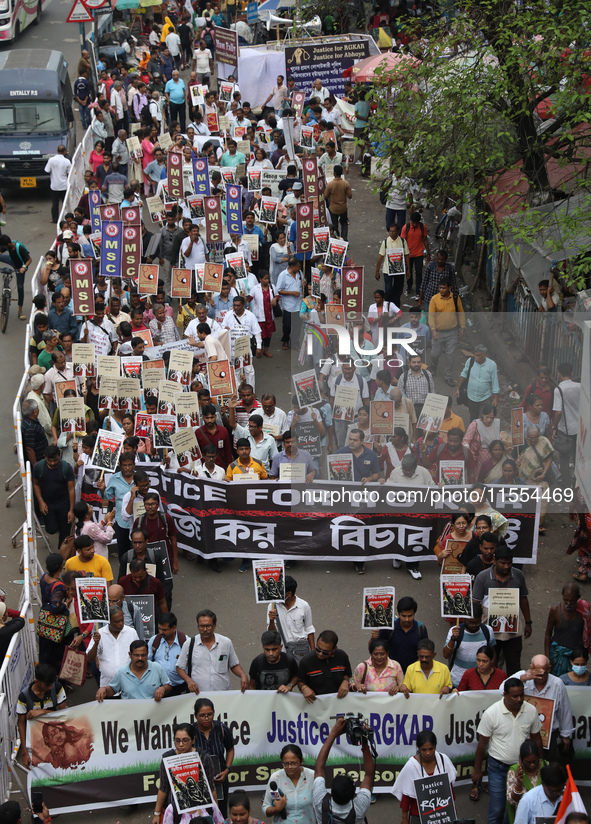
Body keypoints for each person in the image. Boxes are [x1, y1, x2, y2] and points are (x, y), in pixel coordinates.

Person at [471, 678, 543, 824]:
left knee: (516, 809)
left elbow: (537, 739)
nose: (519, 699)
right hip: (498, 768)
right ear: (504, 694)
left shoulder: (531, 711)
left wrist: (540, 764)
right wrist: (477, 769)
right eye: (514, 696)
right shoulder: (491, 713)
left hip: (523, 769)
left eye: (522, 695)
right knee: (497, 810)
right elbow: (482, 745)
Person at [473, 545, 532, 675]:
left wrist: (528, 622)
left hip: (513, 631)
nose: (506, 567)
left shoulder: (518, 576)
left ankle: (513, 690)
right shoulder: (482, 577)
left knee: (514, 664)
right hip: (490, 630)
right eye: (503, 563)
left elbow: (523, 599)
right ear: (494, 561)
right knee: (491, 664)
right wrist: (476, 627)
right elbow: (475, 603)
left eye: (509, 563)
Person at [507, 654, 574, 762]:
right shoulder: (523, 679)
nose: (541, 677)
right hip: (524, 733)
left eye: (544, 672)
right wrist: (523, 678)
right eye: (537, 673)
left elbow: (564, 710)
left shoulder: (557, 684)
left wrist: (565, 735)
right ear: (531, 668)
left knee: (547, 767)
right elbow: (502, 690)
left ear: (549, 668)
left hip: (549, 736)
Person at [153, 722, 217, 824]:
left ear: (193, 740)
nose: (181, 744)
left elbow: (211, 787)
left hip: (200, 811)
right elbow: (163, 788)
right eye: (177, 740)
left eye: (185, 740)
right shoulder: (168, 758)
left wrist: (215, 812)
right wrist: (157, 813)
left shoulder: (203, 757)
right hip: (177, 813)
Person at [313, 717, 373, 824]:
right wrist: (364, 742)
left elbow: (319, 768)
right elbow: (369, 775)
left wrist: (332, 734)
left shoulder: (320, 802)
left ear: (331, 792)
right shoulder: (359, 807)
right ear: (354, 794)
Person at [176, 609, 249, 694]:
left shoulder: (225, 643)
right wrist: (189, 681)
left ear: (214, 625)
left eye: (208, 626)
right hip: (198, 695)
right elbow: (180, 667)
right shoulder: (189, 644)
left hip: (223, 694)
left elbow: (234, 665)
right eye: (202, 626)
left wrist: (242, 675)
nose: (205, 629)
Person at [393, 730, 456, 824]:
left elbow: (449, 790)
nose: (428, 753)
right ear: (418, 748)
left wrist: (453, 813)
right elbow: (406, 795)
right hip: (418, 816)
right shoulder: (411, 766)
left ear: (435, 746)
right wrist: (404, 818)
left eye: (431, 749)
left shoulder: (443, 760)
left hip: (442, 815)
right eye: (424, 750)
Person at [17, 663, 67, 767]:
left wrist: (43, 712)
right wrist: (25, 752)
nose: (50, 687)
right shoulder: (24, 697)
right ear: (37, 682)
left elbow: (65, 715)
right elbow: (21, 724)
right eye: (47, 684)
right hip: (36, 742)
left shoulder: (57, 688)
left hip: (57, 737)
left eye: (52, 683)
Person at [193, 697, 235, 817]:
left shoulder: (221, 729)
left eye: (209, 714)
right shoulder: (191, 732)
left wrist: (226, 770)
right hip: (198, 783)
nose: (206, 718)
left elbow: (230, 749)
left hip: (219, 781)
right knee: (201, 815)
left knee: (220, 813)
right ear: (196, 716)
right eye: (202, 715)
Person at [96, 639, 171, 701]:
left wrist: (163, 688)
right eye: (136, 655)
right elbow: (113, 689)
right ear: (130, 655)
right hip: (129, 715)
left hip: (152, 715)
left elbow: (168, 686)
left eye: (143, 655)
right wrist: (104, 689)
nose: (140, 658)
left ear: (148, 654)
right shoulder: (122, 672)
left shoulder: (157, 667)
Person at [443, 604, 496, 686]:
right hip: (458, 681)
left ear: (481, 618)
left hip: (480, 683)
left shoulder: (488, 631)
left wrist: (492, 674)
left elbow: (492, 654)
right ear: (464, 619)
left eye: (477, 622)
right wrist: (453, 639)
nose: (474, 625)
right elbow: (446, 655)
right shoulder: (455, 631)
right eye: (470, 622)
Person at [33, 445, 76, 546]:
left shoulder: (67, 468)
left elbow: (71, 489)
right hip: (48, 505)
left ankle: (61, 553)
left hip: (64, 504)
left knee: (64, 532)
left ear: (59, 456)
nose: (52, 463)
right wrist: (40, 501)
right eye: (49, 460)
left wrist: (71, 510)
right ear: (45, 457)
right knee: (51, 529)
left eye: (55, 460)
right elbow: (35, 484)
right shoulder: (38, 467)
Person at [86, 606, 139, 687]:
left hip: (129, 685)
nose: (121, 623)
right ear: (109, 622)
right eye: (117, 622)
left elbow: (139, 655)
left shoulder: (132, 633)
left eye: (122, 620)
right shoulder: (99, 634)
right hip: (107, 685)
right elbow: (90, 658)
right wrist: (96, 644)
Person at [262, 744, 315, 824]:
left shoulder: (312, 776)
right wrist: (276, 809)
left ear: (301, 761)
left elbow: (320, 806)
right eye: (286, 764)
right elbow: (266, 807)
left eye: (293, 763)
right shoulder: (276, 778)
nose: (289, 767)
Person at [267, 575, 315, 660]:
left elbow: (309, 629)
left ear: (288, 594)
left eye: (279, 592)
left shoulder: (304, 606)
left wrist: (313, 652)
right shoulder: (272, 607)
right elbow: (271, 633)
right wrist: (271, 620)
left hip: (301, 651)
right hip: (282, 652)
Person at [544, 583, 587, 676]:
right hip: (556, 655)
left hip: (576, 657)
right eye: (566, 600)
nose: (568, 603)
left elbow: (588, 635)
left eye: (572, 600)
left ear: (578, 597)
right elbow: (548, 634)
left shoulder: (584, 613)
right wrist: (547, 657)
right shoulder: (555, 611)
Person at [298, 630, 351, 704]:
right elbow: (300, 682)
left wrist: (345, 681)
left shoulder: (342, 656)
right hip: (315, 703)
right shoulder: (306, 661)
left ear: (334, 649)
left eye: (325, 652)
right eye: (318, 649)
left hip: (339, 702)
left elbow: (347, 674)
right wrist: (304, 688)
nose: (320, 653)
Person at [428, 277, 465, 385]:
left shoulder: (455, 297)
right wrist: (433, 330)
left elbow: (461, 313)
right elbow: (431, 316)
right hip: (438, 332)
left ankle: (448, 376)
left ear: (449, 288)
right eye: (440, 288)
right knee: (435, 354)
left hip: (452, 332)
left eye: (444, 288)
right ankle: (434, 367)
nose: (442, 290)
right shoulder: (434, 299)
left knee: (450, 355)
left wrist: (462, 327)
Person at [552, 361, 580, 486]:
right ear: (572, 372)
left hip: (565, 429)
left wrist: (554, 427)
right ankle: (578, 484)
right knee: (577, 458)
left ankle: (566, 485)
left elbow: (558, 412)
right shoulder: (579, 387)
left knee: (564, 458)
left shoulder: (559, 390)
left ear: (559, 374)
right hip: (579, 428)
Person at [147, 613, 189, 696]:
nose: (161, 632)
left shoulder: (186, 641)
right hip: (159, 688)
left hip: (180, 688)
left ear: (174, 628)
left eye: (164, 630)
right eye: (159, 629)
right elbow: (147, 662)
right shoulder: (154, 641)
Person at [506, 740, 547, 822]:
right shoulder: (513, 771)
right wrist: (519, 783)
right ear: (521, 759)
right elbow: (512, 801)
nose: (532, 765)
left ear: (539, 757)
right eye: (528, 762)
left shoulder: (546, 768)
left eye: (534, 761)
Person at [456, 345, 500, 421]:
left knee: (483, 419)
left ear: (484, 355)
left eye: (478, 356)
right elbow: (464, 374)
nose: (476, 357)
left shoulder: (492, 365)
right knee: (473, 419)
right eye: (475, 355)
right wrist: (458, 389)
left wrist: (496, 398)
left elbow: (494, 382)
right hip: (471, 397)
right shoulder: (470, 361)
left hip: (485, 398)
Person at [374, 223, 410, 307]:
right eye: (390, 231)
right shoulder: (386, 242)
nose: (391, 233)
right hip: (387, 271)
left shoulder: (402, 241)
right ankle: (388, 306)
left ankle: (396, 305)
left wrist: (408, 269)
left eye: (393, 231)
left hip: (399, 270)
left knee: (398, 289)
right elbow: (381, 257)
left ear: (398, 231)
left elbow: (407, 255)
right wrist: (377, 271)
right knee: (388, 289)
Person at [0, 234, 32, 320]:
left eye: (3, 246)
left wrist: (23, 267)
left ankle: (20, 311)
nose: (3, 247)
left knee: (20, 287)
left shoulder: (19, 248)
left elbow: (29, 260)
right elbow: (1, 250)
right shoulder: (6, 245)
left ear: (8, 244)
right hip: (12, 260)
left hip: (20, 267)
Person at [401, 212, 431, 298]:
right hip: (408, 254)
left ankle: (419, 291)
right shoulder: (405, 228)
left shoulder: (422, 227)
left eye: (415, 223)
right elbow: (402, 242)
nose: (414, 224)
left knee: (419, 272)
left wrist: (428, 253)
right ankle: (409, 287)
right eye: (412, 222)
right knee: (408, 271)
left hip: (419, 253)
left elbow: (425, 240)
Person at [45, 146, 72, 225]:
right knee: (65, 203)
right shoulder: (67, 161)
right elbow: (69, 173)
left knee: (55, 203)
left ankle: (55, 219)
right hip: (64, 185)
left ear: (57, 151)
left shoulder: (51, 160)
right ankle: (66, 218)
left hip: (54, 186)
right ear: (64, 151)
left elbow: (47, 170)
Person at [324, 166, 352, 240]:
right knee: (344, 224)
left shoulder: (330, 184)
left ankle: (337, 239)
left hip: (333, 208)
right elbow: (350, 196)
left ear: (334, 173)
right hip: (343, 207)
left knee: (335, 225)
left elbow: (325, 196)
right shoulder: (345, 183)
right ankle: (344, 239)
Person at [21, 398, 49, 466]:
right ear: (35, 412)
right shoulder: (30, 428)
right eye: (37, 408)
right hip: (39, 460)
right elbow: (29, 449)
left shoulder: (29, 421)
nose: (38, 409)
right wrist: (36, 466)